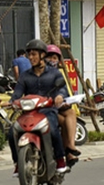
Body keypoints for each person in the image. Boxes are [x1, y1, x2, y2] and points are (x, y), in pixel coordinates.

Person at [8, 39, 68, 175]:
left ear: (42, 55)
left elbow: (63, 89)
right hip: (29, 113)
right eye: (29, 54)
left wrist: (60, 96)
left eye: (34, 54)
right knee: (12, 133)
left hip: (48, 111)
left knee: (53, 130)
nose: (31, 57)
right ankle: (17, 163)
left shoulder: (54, 73)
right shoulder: (24, 76)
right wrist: (12, 102)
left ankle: (60, 160)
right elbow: (17, 93)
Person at [45, 44, 81, 167]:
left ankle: (70, 147)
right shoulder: (36, 73)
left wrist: (62, 98)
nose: (51, 60)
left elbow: (63, 90)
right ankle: (68, 152)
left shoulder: (58, 74)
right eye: (49, 57)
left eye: (54, 58)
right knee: (64, 120)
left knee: (70, 112)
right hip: (42, 109)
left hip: (55, 107)